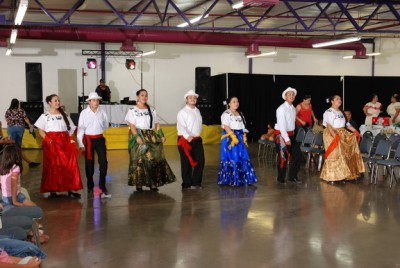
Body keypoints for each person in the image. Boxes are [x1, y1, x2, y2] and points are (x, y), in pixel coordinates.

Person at [125, 89, 176, 191]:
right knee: (139, 159)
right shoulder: (132, 110)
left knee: (152, 158)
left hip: (150, 135)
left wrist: (161, 134)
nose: (144, 97)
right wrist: (137, 137)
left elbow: (156, 123)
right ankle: (138, 183)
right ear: (137, 97)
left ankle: (152, 183)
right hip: (138, 134)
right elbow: (132, 125)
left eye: (146, 95)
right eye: (142, 95)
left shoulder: (151, 110)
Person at [34, 94, 82, 198]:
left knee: (70, 165)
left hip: (65, 143)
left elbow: (70, 128)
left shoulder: (64, 114)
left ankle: (70, 188)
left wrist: (70, 139)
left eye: (58, 100)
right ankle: (53, 190)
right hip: (53, 143)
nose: (58, 102)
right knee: (54, 165)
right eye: (55, 101)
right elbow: (41, 130)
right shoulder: (45, 116)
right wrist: (49, 141)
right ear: (49, 103)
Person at [320, 95, 365, 183]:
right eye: (337, 99)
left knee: (343, 154)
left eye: (340, 99)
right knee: (335, 154)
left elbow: (347, 124)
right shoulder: (329, 111)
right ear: (332, 101)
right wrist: (334, 136)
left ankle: (342, 176)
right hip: (331, 133)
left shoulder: (341, 112)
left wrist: (355, 131)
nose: (340, 100)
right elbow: (328, 125)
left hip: (341, 133)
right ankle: (332, 177)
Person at [77, 92, 111, 199]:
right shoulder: (84, 113)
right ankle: (90, 185)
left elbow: (105, 126)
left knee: (103, 163)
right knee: (89, 164)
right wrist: (81, 144)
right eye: (93, 100)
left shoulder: (103, 113)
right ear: (89, 102)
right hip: (88, 140)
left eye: (97, 100)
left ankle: (102, 185)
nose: (96, 102)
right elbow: (80, 129)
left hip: (100, 139)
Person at [217, 96, 257, 186]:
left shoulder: (240, 114)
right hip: (231, 137)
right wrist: (232, 136)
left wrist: (244, 136)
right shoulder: (226, 113)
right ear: (229, 103)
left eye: (237, 101)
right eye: (234, 101)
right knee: (233, 157)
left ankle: (243, 178)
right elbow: (226, 126)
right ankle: (232, 179)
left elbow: (242, 126)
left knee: (243, 156)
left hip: (239, 137)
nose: (236, 103)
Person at [177, 90, 205, 190]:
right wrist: (187, 136)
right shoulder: (182, 112)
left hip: (196, 140)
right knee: (186, 163)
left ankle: (196, 182)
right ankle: (186, 184)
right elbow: (181, 126)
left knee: (200, 161)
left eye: (194, 98)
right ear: (186, 99)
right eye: (190, 97)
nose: (193, 99)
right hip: (185, 140)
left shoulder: (197, 110)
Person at [275, 87, 302, 184]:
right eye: (289, 94)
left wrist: (292, 136)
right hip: (282, 136)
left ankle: (293, 176)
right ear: (285, 97)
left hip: (291, 135)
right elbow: (282, 126)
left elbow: (292, 123)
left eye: (293, 94)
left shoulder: (293, 108)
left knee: (297, 156)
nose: (291, 96)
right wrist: (286, 138)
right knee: (283, 158)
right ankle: (281, 179)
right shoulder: (281, 109)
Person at [4, 99, 40, 168]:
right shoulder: (21, 110)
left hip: (11, 128)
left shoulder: (8, 111)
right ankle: (18, 160)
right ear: (18, 103)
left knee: (11, 144)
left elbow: (7, 119)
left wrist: (10, 123)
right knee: (18, 145)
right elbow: (25, 118)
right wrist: (29, 124)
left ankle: (12, 161)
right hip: (20, 128)